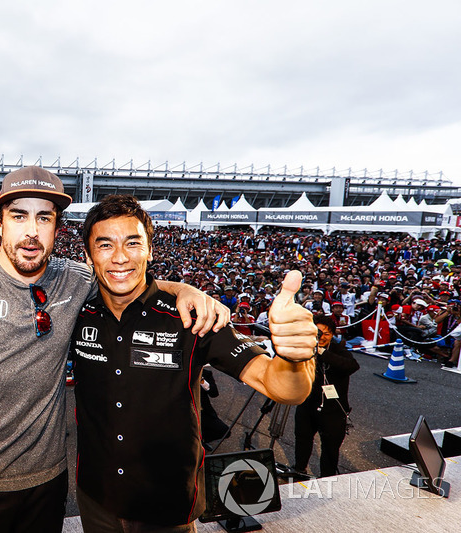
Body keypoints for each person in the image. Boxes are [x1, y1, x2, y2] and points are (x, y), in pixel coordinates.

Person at [0, 167, 230, 533]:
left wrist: (183, 289)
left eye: (44, 218)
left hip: (48, 482)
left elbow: (127, 277)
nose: (31, 230)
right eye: (18, 216)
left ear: (56, 228)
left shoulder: (76, 279)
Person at [70, 195, 317, 531]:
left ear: (150, 251)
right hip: (96, 498)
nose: (120, 257)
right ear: (88, 256)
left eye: (133, 243)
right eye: (105, 245)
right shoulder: (75, 311)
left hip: (167, 504)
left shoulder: (192, 315)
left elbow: (283, 388)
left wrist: (293, 357)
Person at [293, 316, 359, 478]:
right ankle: (299, 469)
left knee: (330, 447)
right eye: (318, 333)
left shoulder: (338, 349)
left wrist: (322, 353)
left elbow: (352, 366)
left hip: (333, 408)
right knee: (302, 438)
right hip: (307, 403)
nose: (322, 337)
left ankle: (326, 478)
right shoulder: (304, 348)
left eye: (327, 334)